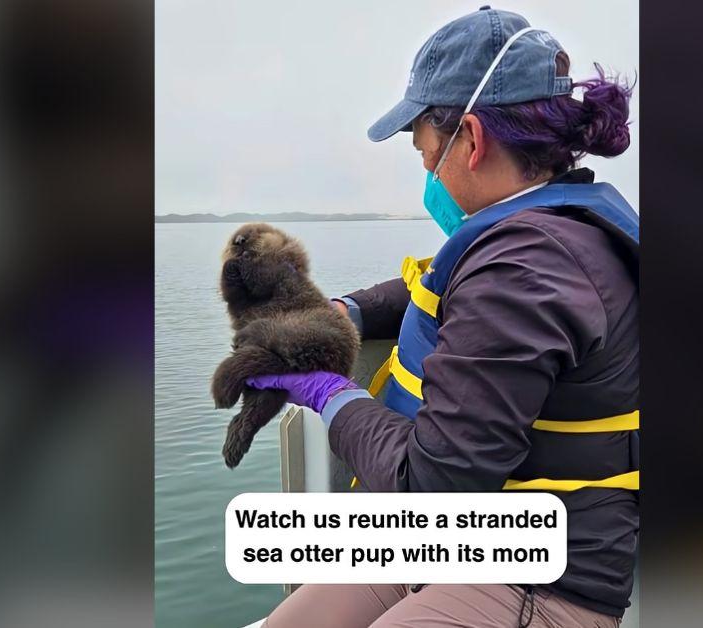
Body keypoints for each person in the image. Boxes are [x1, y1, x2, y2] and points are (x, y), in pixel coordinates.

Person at [249, 7, 637, 627]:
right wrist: (342, 312)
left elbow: (429, 492)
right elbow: (436, 288)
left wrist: (330, 394)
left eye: (427, 154)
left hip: (545, 578)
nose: (428, 171)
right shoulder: (544, 234)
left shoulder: (528, 268)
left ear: (473, 140)